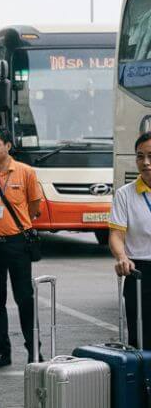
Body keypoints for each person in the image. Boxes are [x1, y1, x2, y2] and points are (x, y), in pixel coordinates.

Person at [0, 127, 43, 368]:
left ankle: (34, 351)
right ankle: (2, 352)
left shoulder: (26, 173)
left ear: (8, 146)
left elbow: (35, 207)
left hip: (18, 244)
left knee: (25, 299)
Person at [110, 131, 151, 348]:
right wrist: (122, 256)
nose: (145, 163)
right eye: (140, 156)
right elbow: (116, 234)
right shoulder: (125, 194)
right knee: (142, 337)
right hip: (140, 272)